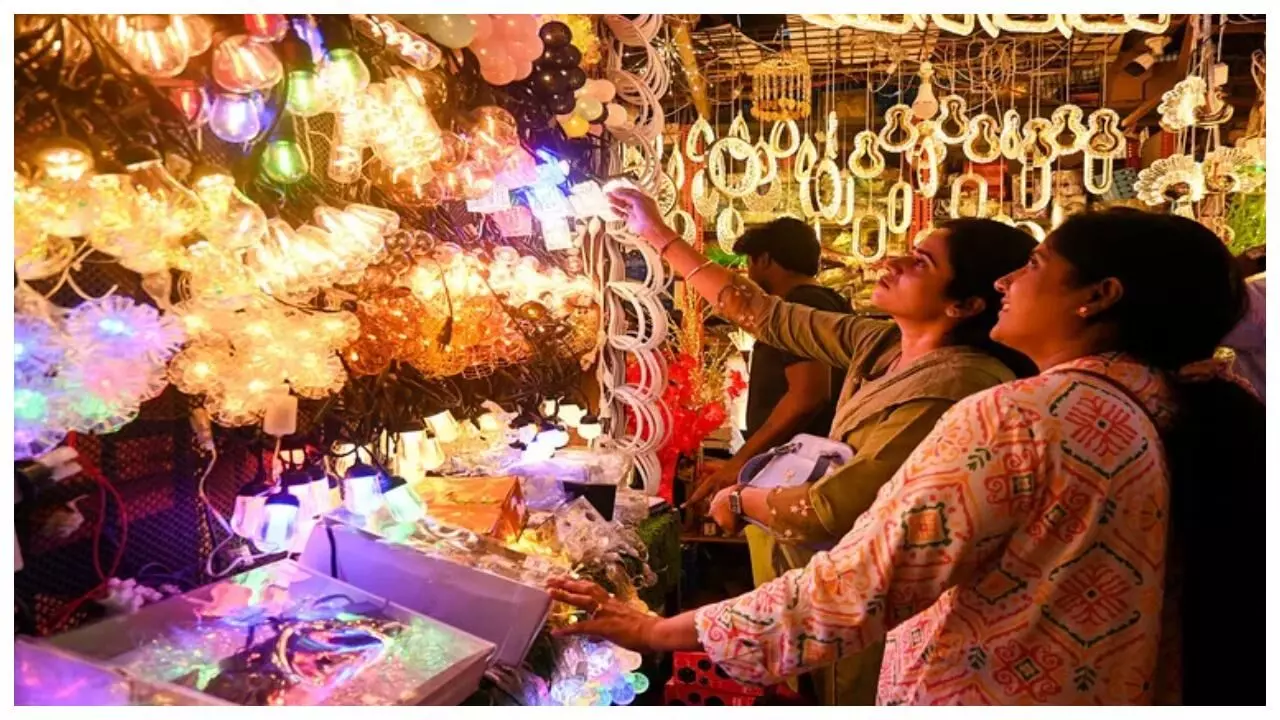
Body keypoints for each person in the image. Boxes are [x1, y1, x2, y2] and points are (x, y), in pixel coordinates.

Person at [548, 209, 1264, 705]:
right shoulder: (1160, 403)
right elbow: (765, 313)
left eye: (1036, 265)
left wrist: (658, 629)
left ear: (1099, 297)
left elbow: (858, 584)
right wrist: (663, 237)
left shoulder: (1015, 413)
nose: (1009, 283)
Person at [603, 188, 1037, 705]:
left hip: (868, 601)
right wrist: (658, 234)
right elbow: (761, 312)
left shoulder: (957, 383)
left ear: (964, 304)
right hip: (821, 583)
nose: (894, 262)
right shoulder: (881, 342)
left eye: (921, 262)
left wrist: (740, 499)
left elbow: (835, 506)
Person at [688, 219, 849, 593]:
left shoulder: (798, 307)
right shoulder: (829, 303)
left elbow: (808, 394)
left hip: (793, 478)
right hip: (807, 473)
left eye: (749, 262)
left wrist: (741, 463)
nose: (747, 272)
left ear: (764, 260)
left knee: (785, 589)